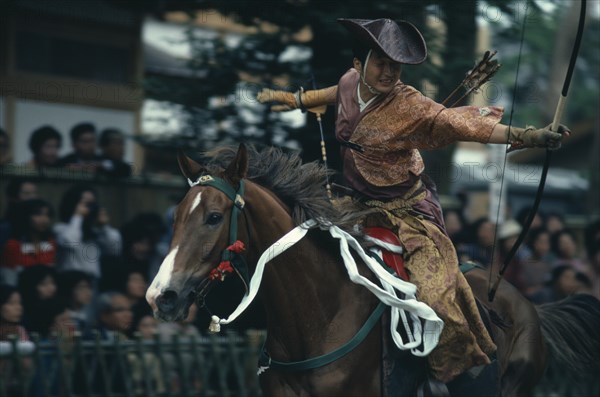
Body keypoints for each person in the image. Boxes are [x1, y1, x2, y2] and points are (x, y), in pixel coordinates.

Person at [257, 18, 570, 385]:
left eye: (395, 65)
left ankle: (453, 371)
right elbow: (331, 94)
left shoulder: (411, 104)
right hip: (353, 204)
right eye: (381, 63)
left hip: (407, 212)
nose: (389, 72)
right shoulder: (348, 83)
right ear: (359, 66)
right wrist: (296, 99)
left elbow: (462, 124)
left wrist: (530, 136)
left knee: (436, 293)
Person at [54, 185, 122, 288]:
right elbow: (71, 242)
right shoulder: (61, 229)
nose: (88, 208)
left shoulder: (95, 232)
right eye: (85, 203)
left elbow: (114, 248)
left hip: (92, 283)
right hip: (69, 282)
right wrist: (78, 216)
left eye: (92, 204)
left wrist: (104, 226)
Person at [0, 199, 56, 285]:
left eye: (47, 215)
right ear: (26, 216)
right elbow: (9, 280)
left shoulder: (50, 243)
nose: (44, 219)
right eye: (38, 214)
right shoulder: (13, 246)